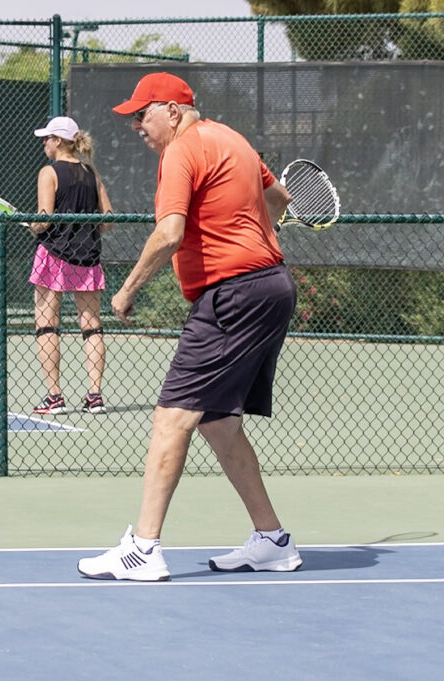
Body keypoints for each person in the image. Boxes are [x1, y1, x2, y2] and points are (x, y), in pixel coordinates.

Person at [76, 73, 301, 581]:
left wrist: (127, 288)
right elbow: (280, 200)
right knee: (217, 422)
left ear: (172, 111)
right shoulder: (233, 140)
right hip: (271, 289)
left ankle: (142, 549)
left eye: (142, 114)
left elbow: (169, 232)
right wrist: (252, 229)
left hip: (233, 296)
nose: (136, 125)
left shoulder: (180, 151)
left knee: (171, 418)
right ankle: (272, 540)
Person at [27, 116, 115, 416]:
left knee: (46, 325)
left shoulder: (48, 172)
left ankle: (54, 397)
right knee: (92, 327)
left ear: (59, 141)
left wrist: (33, 225)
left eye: (47, 138)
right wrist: (84, 231)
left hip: (53, 255)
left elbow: (44, 219)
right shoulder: (91, 173)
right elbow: (108, 220)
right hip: (87, 256)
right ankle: (95, 397)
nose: (44, 143)